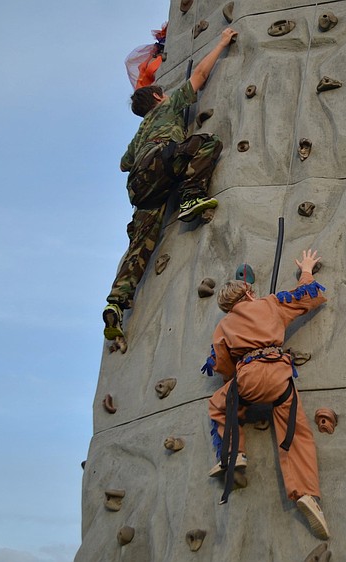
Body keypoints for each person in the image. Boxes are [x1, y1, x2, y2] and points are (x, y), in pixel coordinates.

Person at [103, 28, 238, 342]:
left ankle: (117, 302)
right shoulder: (167, 106)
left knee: (140, 245)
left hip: (139, 187)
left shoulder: (139, 132)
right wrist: (221, 42)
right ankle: (191, 197)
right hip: (160, 163)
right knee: (207, 144)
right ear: (158, 97)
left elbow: (124, 162)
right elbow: (201, 74)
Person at [208, 249, 330, 540]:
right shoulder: (271, 304)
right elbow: (307, 297)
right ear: (248, 293)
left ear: (228, 306)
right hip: (279, 374)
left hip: (247, 375)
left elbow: (222, 365)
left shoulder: (223, 326)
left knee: (219, 405)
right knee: (295, 434)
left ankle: (233, 452)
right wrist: (307, 269)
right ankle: (306, 494)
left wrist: (233, 384)